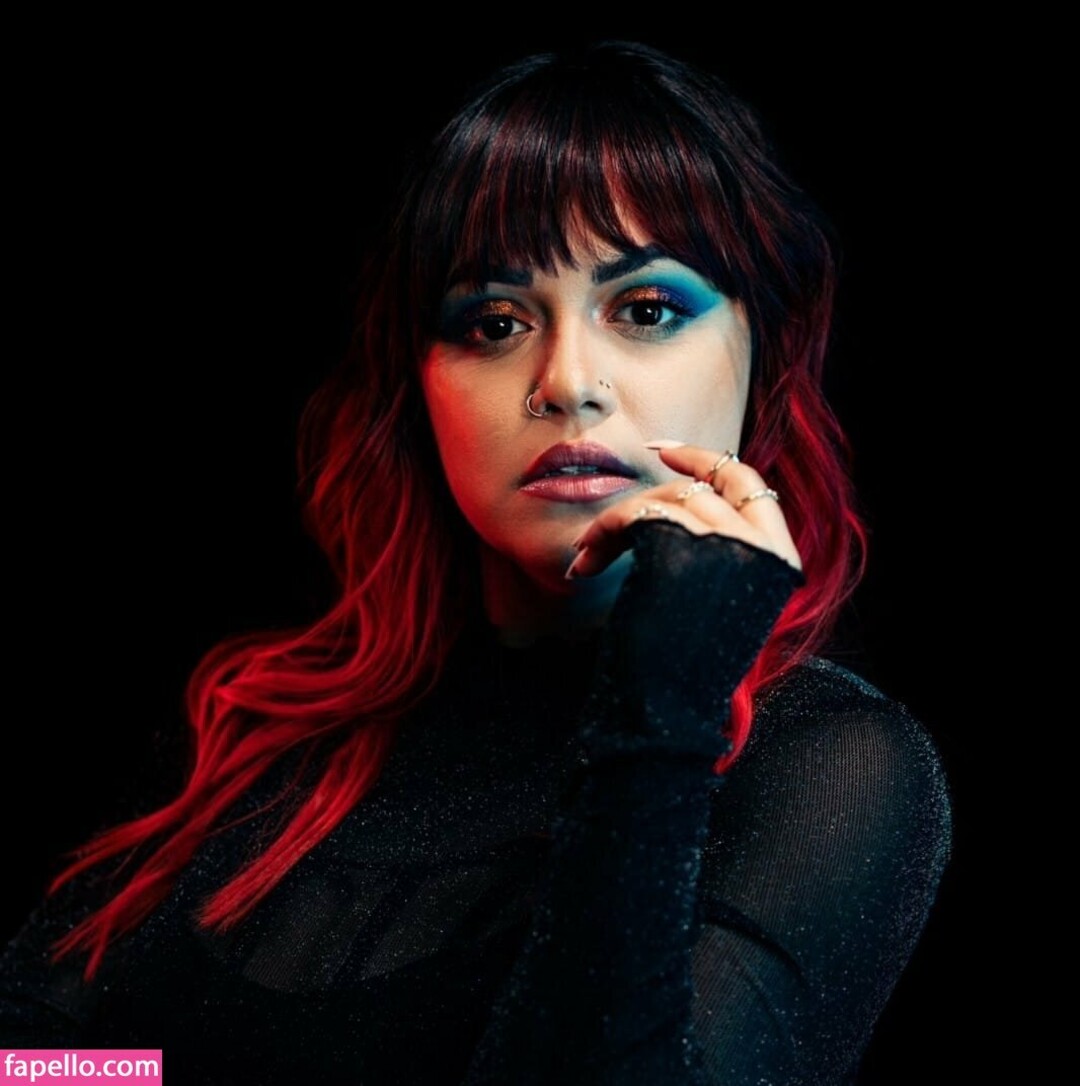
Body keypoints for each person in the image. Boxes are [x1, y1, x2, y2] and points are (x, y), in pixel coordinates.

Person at [1, 41, 952, 1085]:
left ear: (763, 345)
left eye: (645, 311)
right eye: (494, 321)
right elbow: (36, 1065)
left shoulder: (830, 767)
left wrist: (664, 710)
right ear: (420, 385)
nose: (567, 382)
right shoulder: (258, 734)